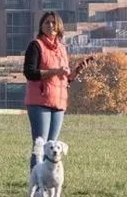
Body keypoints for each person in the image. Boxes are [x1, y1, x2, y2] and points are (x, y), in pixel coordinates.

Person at [23, 11, 94, 169]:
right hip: (39, 101)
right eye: (47, 22)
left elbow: (64, 78)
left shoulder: (62, 48)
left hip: (59, 103)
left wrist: (76, 71)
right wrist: (55, 71)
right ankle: (37, 185)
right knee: (40, 147)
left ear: (59, 27)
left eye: (54, 23)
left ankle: (48, 185)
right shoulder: (36, 46)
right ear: (41, 26)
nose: (50, 26)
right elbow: (30, 73)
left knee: (52, 148)